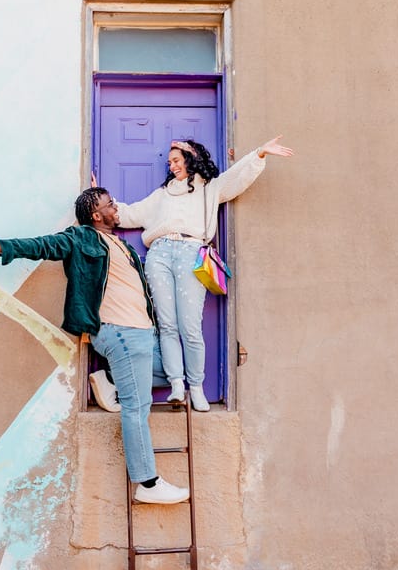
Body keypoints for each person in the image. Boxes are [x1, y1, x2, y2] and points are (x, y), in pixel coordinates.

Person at [0, 187, 189, 505]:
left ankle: (111, 382)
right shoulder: (82, 238)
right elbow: (44, 246)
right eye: (109, 204)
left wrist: (97, 188)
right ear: (95, 215)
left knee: (176, 373)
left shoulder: (121, 244)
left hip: (145, 334)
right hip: (119, 332)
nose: (116, 207)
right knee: (137, 406)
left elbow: (102, 207)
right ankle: (147, 483)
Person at [117, 136, 294, 412]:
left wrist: (259, 154)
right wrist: (102, 202)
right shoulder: (162, 194)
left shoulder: (209, 189)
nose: (172, 166)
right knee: (167, 325)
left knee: (190, 326)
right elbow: (131, 214)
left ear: (190, 159)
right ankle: (177, 384)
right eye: (170, 162)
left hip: (191, 253)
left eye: (176, 160)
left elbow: (236, 179)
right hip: (159, 255)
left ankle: (196, 387)